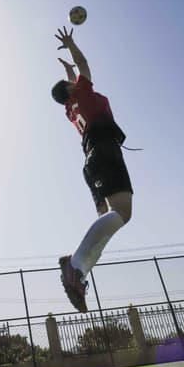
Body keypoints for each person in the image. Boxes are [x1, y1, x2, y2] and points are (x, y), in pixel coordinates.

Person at [53, 26, 133, 313]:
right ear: (71, 89)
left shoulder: (70, 107)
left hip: (91, 158)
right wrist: (72, 45)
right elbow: (85, 68)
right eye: (71, 82)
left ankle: (78, 272)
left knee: (106, 225)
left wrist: (69, 71)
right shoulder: (81, 95)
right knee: (123, 213)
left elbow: (76, 79)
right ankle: (74, 266)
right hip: (104, 150)